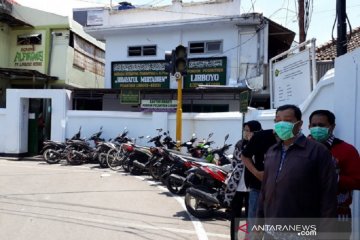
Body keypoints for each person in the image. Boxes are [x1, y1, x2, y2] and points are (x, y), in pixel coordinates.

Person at [257, 104, 337, 239]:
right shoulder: (272, 151)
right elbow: (265, 189)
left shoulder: (317, 151)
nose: (281, 124)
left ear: (299, 124)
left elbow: (328, 195)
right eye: (278, 121)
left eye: (287, 120)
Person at [309, 109, 360, 239]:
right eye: (314, 125)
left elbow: (357, 181)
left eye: (321, 125)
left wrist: (334, 178)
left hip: (337, 215)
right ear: (308, 126)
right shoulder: (300, 148)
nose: (317, 128)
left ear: (332, 127)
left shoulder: (347, 150)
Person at [240, 122, 277, 238]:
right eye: (279, 119)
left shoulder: (299, 143)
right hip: (258, 188)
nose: (246, 133)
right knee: (254, 225)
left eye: (248, 130)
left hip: (282, 192)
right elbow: (245, 156)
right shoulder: (261, 137)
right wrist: (256, 173)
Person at [226, 120, 262, 240]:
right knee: (235, 215)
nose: (246, 133)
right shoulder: (240, 144)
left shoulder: (261, 144)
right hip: (238, 186)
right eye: (245, 130)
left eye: (248, 130)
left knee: (250, 216)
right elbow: (234, 164)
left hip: (253, 187)